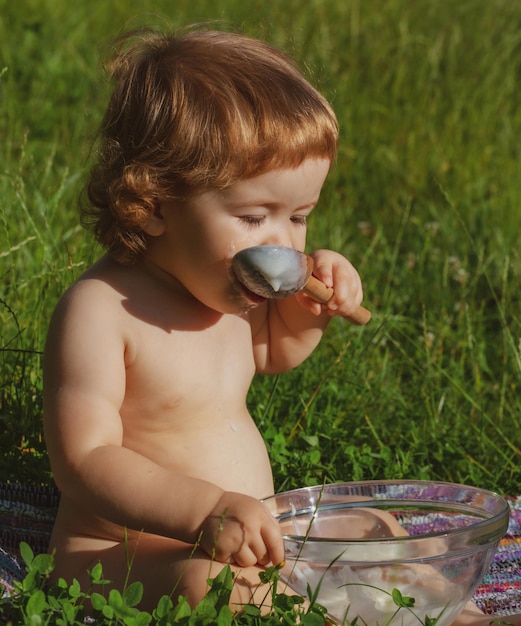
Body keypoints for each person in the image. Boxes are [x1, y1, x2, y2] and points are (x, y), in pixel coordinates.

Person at [43, 27, 520, 625]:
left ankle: (461, 616)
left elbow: (270, 351)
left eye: (298, 217)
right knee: (210, 586)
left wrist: (302, 314)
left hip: (251, 532)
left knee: (379, 529)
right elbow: (83, 458)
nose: (285, 245)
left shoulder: (218, 292)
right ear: (156, 203)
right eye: (253, 216)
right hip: (129, 553)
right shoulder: (100, 311)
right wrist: (202, 511)